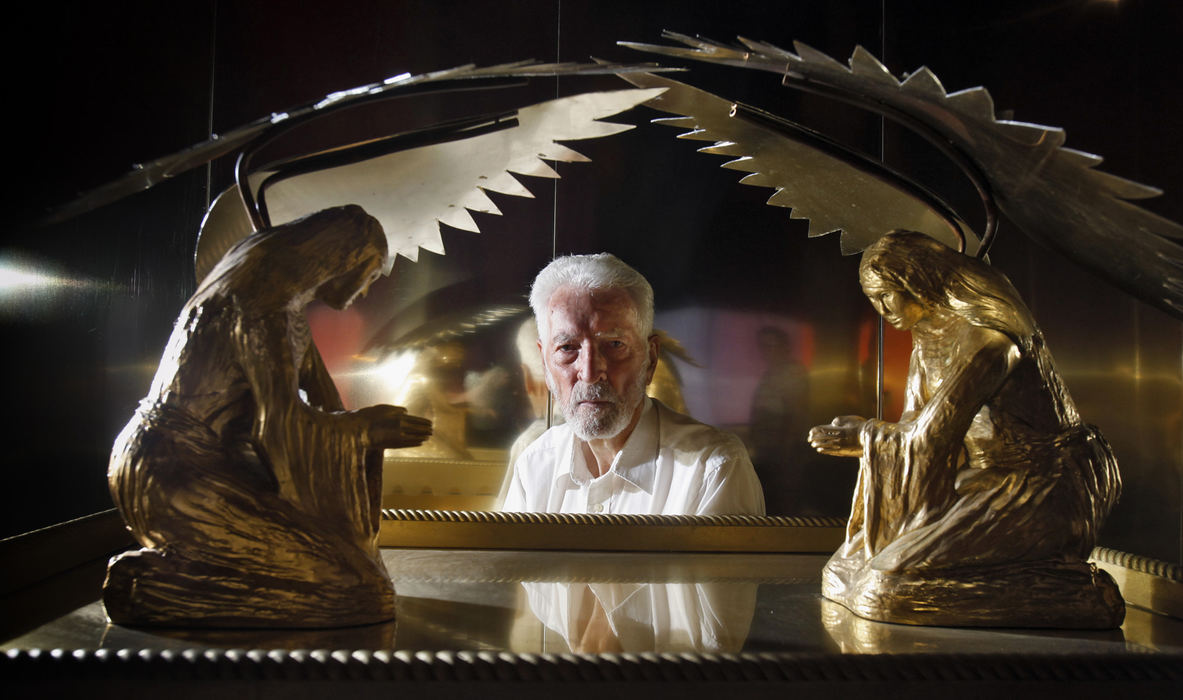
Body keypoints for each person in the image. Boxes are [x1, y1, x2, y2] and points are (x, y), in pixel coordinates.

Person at [104, 205, 432, 627]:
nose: (366, 289)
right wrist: (367, 429)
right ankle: (148, 588)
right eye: (370, 274)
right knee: (360, 591)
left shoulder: (283, 308)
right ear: (344, 259)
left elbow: (323, 408)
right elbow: (279, 427)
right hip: (174, 472)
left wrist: (358, 429)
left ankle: (171, 577)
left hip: (213, 466)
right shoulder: (260, 308)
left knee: (359, 579)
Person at [808, 231, 1122, 627]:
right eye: (872, 298)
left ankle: (1079, 594)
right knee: (843, 571)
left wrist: (864, 436)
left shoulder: (989, 341)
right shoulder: (927, 339)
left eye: (886, 294)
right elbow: (913, 425)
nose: (880, 308)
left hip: (1041, 487)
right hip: (980, 480)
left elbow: (931, 437)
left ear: (917, 281)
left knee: (884, 589)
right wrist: (865, 437)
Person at [501, 253, 764, 516]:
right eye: (568, 348)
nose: (590, 372)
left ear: (650, 359)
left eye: (615, 345)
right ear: (545, 364)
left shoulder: (712, 469)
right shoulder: (534, 465)